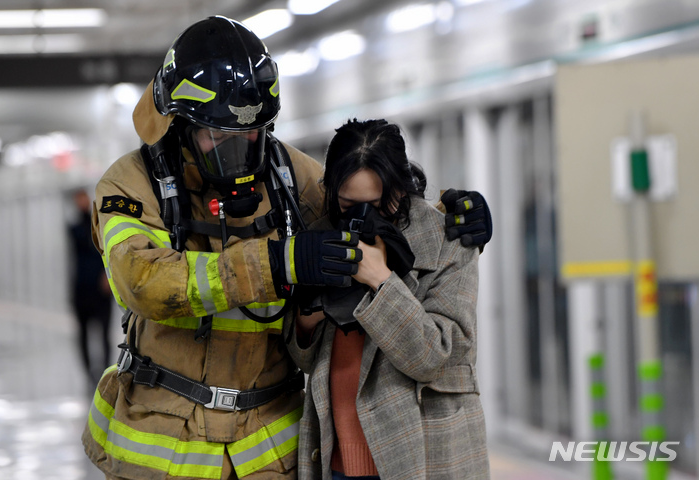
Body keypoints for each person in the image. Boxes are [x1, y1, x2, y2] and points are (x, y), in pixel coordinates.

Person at [81, 16, 492, 480]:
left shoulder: (289, 175)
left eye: (252, 134)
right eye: (218, 138)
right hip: (160, 446)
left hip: (267, 449)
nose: (240, 152)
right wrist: (281, 261)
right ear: (179, 124)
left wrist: (445, 210)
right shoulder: (131, 184)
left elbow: (366, 205)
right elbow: (143, 281)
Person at [285, 119, 490, 480]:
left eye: (379, 206)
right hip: (334, 457)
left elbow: (434, 358)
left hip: (420, 456)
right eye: (348, 204)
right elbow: (301, 357)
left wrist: (380, 280)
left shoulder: (450, 241)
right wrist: (311, 312)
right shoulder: (321, 237)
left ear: (401, 189)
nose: (362, 218)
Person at [68, 189, 113, 386]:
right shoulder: (75, 227)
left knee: (104, 332)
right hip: (81, 289)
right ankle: (88, 372)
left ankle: (104, 370)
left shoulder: (100, 225)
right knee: (83, 333)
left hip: (100, 288)